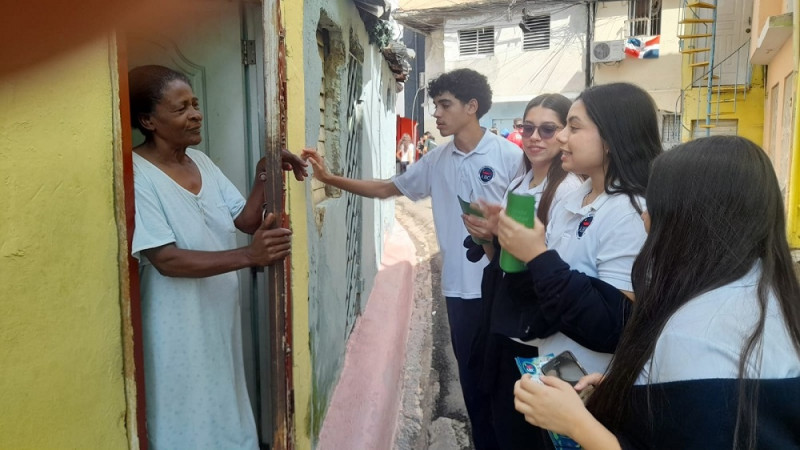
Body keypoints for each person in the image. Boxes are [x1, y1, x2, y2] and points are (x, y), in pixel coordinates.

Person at [513, 136, 800, 449]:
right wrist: (633, 393)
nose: (644, 216)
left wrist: (575, 423)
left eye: (655, 205)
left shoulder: (697, 336)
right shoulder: (760, 291)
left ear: (689, 217)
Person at [302, 68, 522, 449]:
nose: (436, 113)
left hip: (508, 290)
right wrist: (331, 178)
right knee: (472, 387)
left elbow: (529, 219)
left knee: (512, 388)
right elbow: (390, 187)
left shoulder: (510, 156)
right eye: (435, 104)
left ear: (472, 107)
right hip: (459, 292)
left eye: (445, 104)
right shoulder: (437, 160)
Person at [128, 65, 307, 449]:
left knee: (220, 397)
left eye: (195, 104)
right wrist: (249, 256)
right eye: (181, 108)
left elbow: (242, 220)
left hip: (217, 313)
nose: (196, 114)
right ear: (148, 120)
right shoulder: (138, 174)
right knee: (183, 407)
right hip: (175, 320)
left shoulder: (201, 162)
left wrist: (265, 173)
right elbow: (166, 259)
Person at [463, 93, 582, 449]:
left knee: (528, 436)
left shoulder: (568, 191)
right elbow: (502, 263)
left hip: (535, 338)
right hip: (505, 323)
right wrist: (487, 237)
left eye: (547, 129)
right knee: (501, 423)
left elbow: (555, 270)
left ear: (563, 134)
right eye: (527, 127)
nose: (534, 137)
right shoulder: (520, 184)